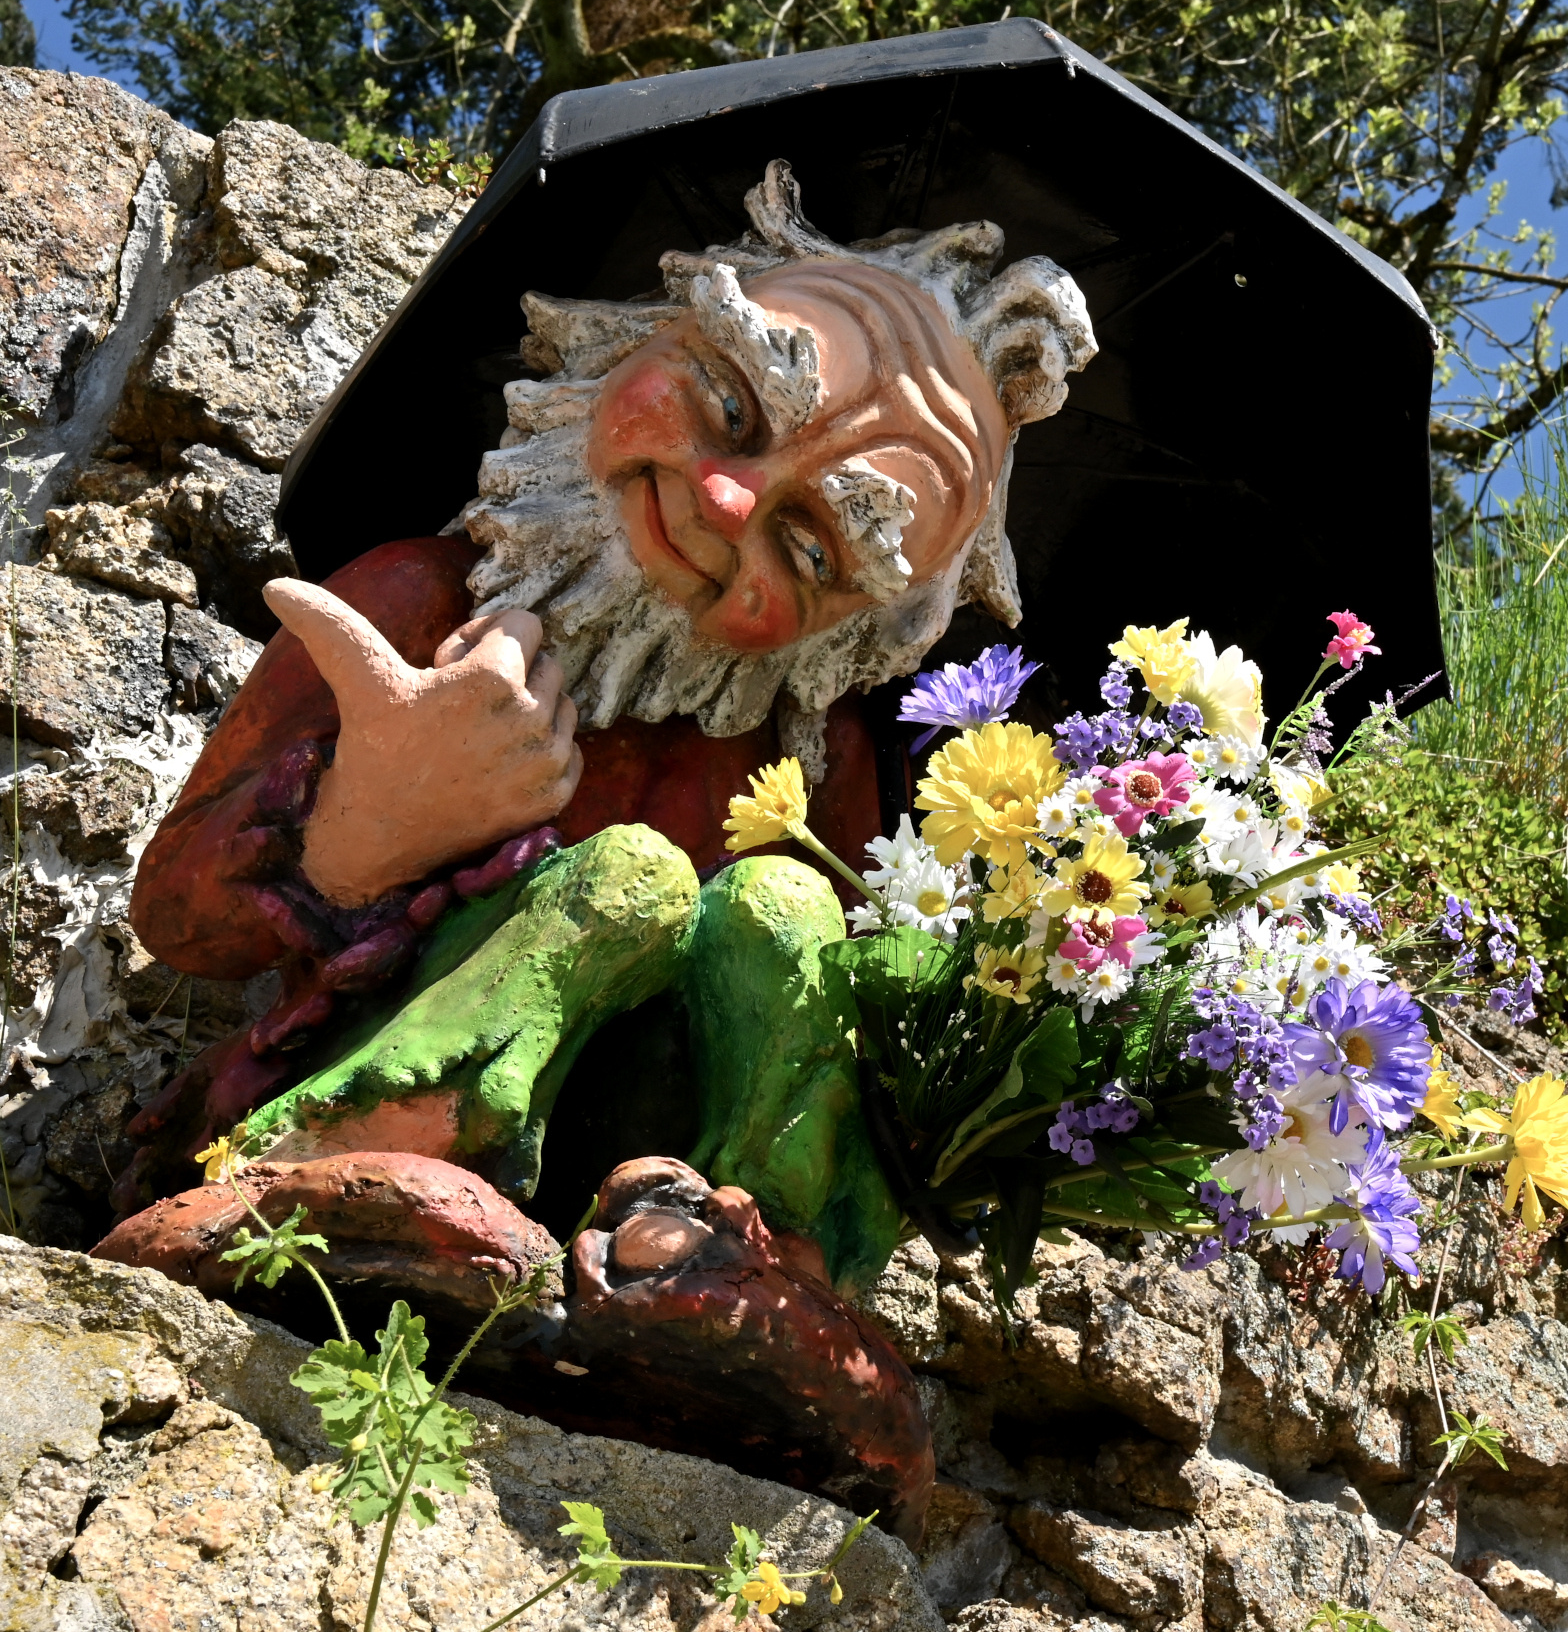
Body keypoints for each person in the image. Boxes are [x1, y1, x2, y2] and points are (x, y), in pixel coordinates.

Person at [94, 163, 1098, 1536]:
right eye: (730, 405)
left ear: (861, 634)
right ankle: (368, 1146)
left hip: (645, 1189)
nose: (731, 500)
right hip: (349, 1085)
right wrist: (366, 827)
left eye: (817, 550)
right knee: (626, 878)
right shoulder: (422, 602)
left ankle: (761, 1263)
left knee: (791, 911)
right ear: (640, 338)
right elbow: (178, 913)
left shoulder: (820, 764)